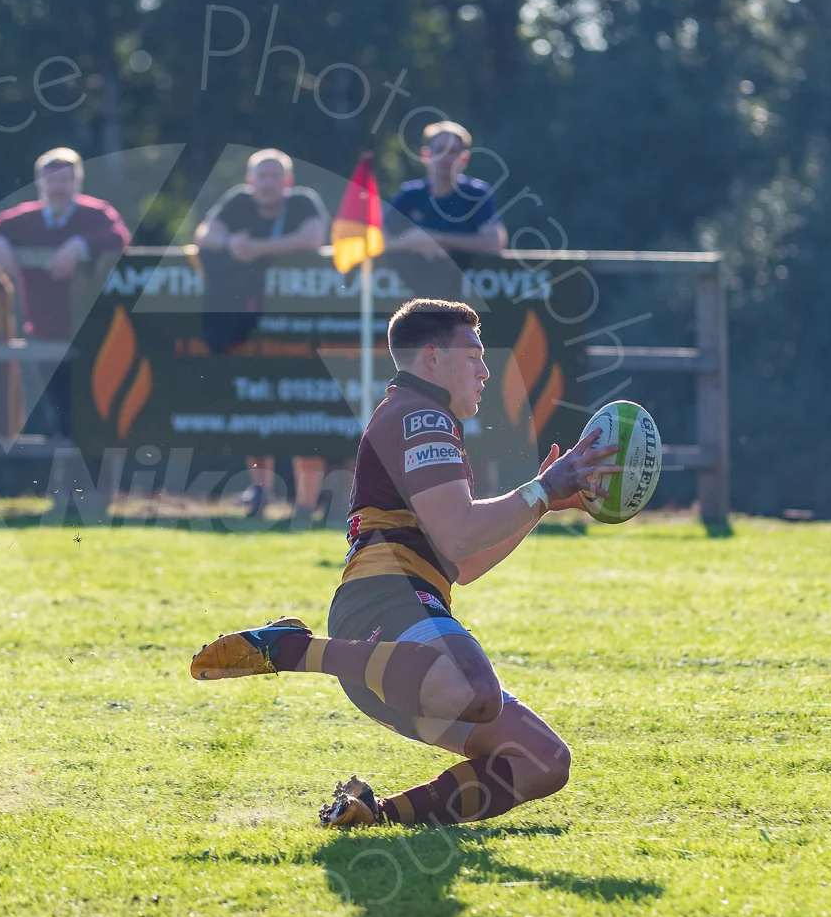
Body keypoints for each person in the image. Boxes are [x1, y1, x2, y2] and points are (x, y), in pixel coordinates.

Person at [190, 298, 618, 828]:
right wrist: (541, 487)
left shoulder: (422, 416)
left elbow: (464, 559)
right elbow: (460, 532)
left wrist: (543, 503)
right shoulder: (422, 416)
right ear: (432, 357)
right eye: (474, 355)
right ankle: (295, 650)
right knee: (474, 687)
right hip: (385, 608)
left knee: (543, 761)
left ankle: (376, 814)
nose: (486, 370)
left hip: (402, 652)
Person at [194, 149, 330, 522]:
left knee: (305, 413)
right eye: (261, 176)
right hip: (250, 327)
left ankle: (307, 502)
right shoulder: (237, 200)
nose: (268, 184)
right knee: (254, 406)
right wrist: (229, 244)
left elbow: (313, 237)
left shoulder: (302, 202)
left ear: (287, 181)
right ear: (250, 179)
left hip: (299, 325)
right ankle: (260, 490)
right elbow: (205, 234)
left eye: (275, 177)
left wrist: (255, 248)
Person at [0, 148, 130, 437]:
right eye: (51, 180)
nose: (57, 187)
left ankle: (94, 483)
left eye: (65, 180)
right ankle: (65, 483)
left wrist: (80, 246)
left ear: (77, 182)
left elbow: (119, 236)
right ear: (40, 183)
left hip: (92, 331)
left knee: (94, 418)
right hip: (44, 331)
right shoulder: (26, 218)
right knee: (60, 418)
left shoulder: (95, 213)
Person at [385, 121, 506, 258]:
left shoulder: (477, 194)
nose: (445, 158)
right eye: (440, 150)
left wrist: (436, 239)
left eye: (452, 151)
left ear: (464, 158)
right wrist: (412, 243)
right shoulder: (409, 195)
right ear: (426, 155)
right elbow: (378, 240)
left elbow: (493, 243)